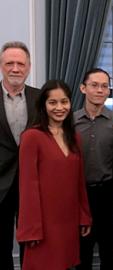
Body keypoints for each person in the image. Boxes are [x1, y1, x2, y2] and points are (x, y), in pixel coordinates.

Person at [16, 80, 92, 270]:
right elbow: (27, 187)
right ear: (43, 105)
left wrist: (84, 216)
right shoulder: (31, 137)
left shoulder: (74, 137)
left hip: (68, 220)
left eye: (64, 102)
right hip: (43, 223)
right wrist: (31, 230)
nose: (60, 107)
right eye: (53, 102)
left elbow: (79, 182)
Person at [74, 68, 113, 270]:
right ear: (83, 88)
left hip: (109, 196)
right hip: (80, 196)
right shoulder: (70, 122)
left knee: (109, 253)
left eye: (104, 86)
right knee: (82, 255)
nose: (100, 90)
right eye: (94, 85)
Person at [0, 41, 39, 269]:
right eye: (9, 63)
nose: (15, 68)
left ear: (29, 67)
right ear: (2, 66)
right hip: (1, 184)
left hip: (32, 183)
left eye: (20, 64)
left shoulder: (41, 97)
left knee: (32, 241)